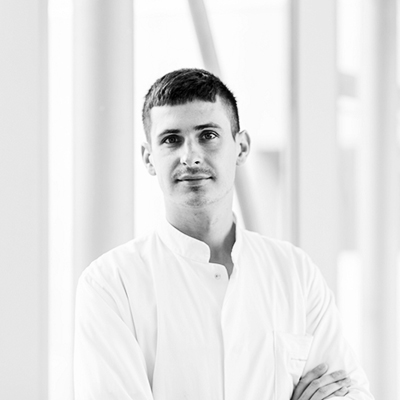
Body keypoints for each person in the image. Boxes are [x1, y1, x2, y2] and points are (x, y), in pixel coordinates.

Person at [74, 68, 374, 400]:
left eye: (208, 135)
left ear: (241, 147)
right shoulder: (111, 284)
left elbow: (351, 393)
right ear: (149, 158)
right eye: (171, 139)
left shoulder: (294, 272)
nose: (191, 157)